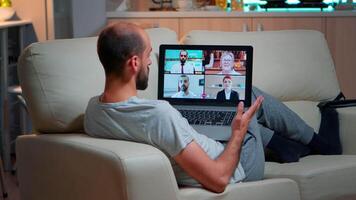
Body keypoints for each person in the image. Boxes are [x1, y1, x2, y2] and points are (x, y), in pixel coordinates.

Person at [84, 22, 342, 193]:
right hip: (238, 166)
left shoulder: (93, 112)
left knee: (233, 104)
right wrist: (238, 134)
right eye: (149, 54)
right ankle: (322, 144)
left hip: (202, 149)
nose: (152, 62)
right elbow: (219, 180)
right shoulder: (159, 115)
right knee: (246, 94)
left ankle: (284, 146)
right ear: (134, 62)